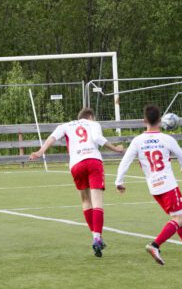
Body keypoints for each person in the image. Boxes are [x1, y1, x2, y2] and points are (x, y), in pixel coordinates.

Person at [115, 105, 182, 267]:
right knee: (179, 218)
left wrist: (119, 181)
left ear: (144, 121)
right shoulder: (167, 139)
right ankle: (155, 245)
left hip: (154, 187)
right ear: (160, 121)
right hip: (168, 184)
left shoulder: (137, 141)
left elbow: (125, 161)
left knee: (178, 218)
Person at [30, 108, 123, 257]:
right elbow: (98, 138)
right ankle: (97, 237)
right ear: (90, 117)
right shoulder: (93, 124)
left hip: (76, 164)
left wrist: (40, 152)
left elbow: (52, 138)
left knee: (86, 200)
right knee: (97, 201)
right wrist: (116, 148)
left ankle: (95, 237)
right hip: (93, 161)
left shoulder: (65, 125)